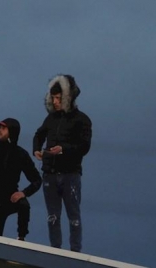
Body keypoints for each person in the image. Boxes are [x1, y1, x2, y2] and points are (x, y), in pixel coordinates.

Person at [33, 74, 92, 252]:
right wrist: (36, 148)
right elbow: (39, 134)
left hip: (70, 174)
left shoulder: (82, 119)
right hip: (50, 172)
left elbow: (84, 146)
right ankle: (55, 251)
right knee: (53, 216)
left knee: (73, 216)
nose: (55, 101)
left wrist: (63, 149)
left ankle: (75, 252)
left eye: (59, 98)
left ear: (68, 98)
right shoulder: (51, 119)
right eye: (53, 98)